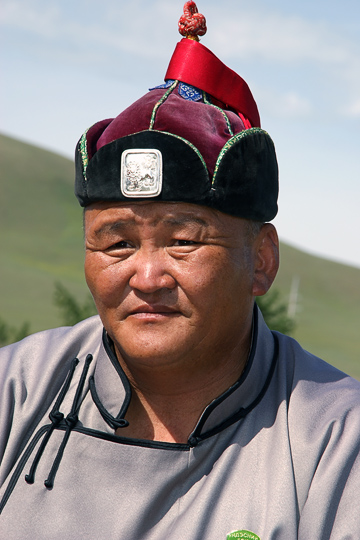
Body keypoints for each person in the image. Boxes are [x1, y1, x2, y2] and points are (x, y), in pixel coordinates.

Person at [1, 3, 359, 539]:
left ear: (261, 260)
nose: (146, 276)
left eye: (183, 240)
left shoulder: (333, 439)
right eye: (117, 243)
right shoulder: (15, 393)